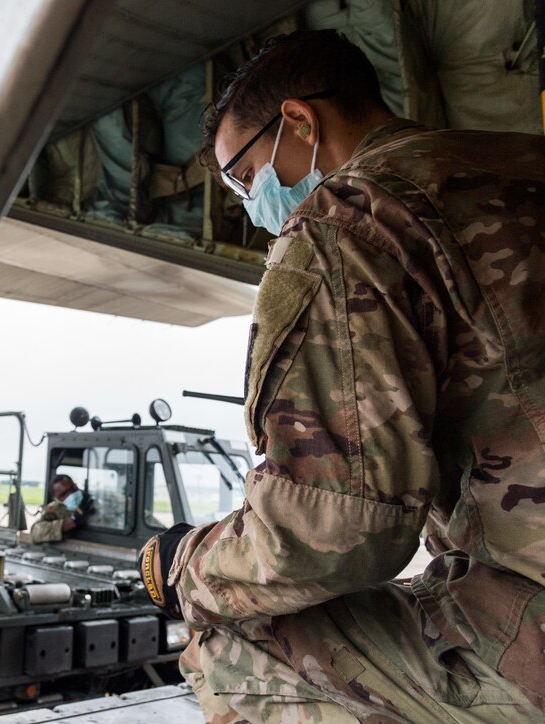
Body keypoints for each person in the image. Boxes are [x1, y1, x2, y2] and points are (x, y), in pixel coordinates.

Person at [139, 29, 545, 722]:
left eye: (243, 175)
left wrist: (183, 568)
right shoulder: (523, 163)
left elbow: (335, 537)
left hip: (531, 625)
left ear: (299, 121)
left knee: (238, 640)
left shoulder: (347, 226)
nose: (250, 200)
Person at [30, 474, 90, 543]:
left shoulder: (88, 501)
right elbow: (36, 532)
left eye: (73, 489)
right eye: (64, 494)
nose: (71, 495)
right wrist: (71, 523)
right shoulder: (54, 509)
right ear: (56, 498)